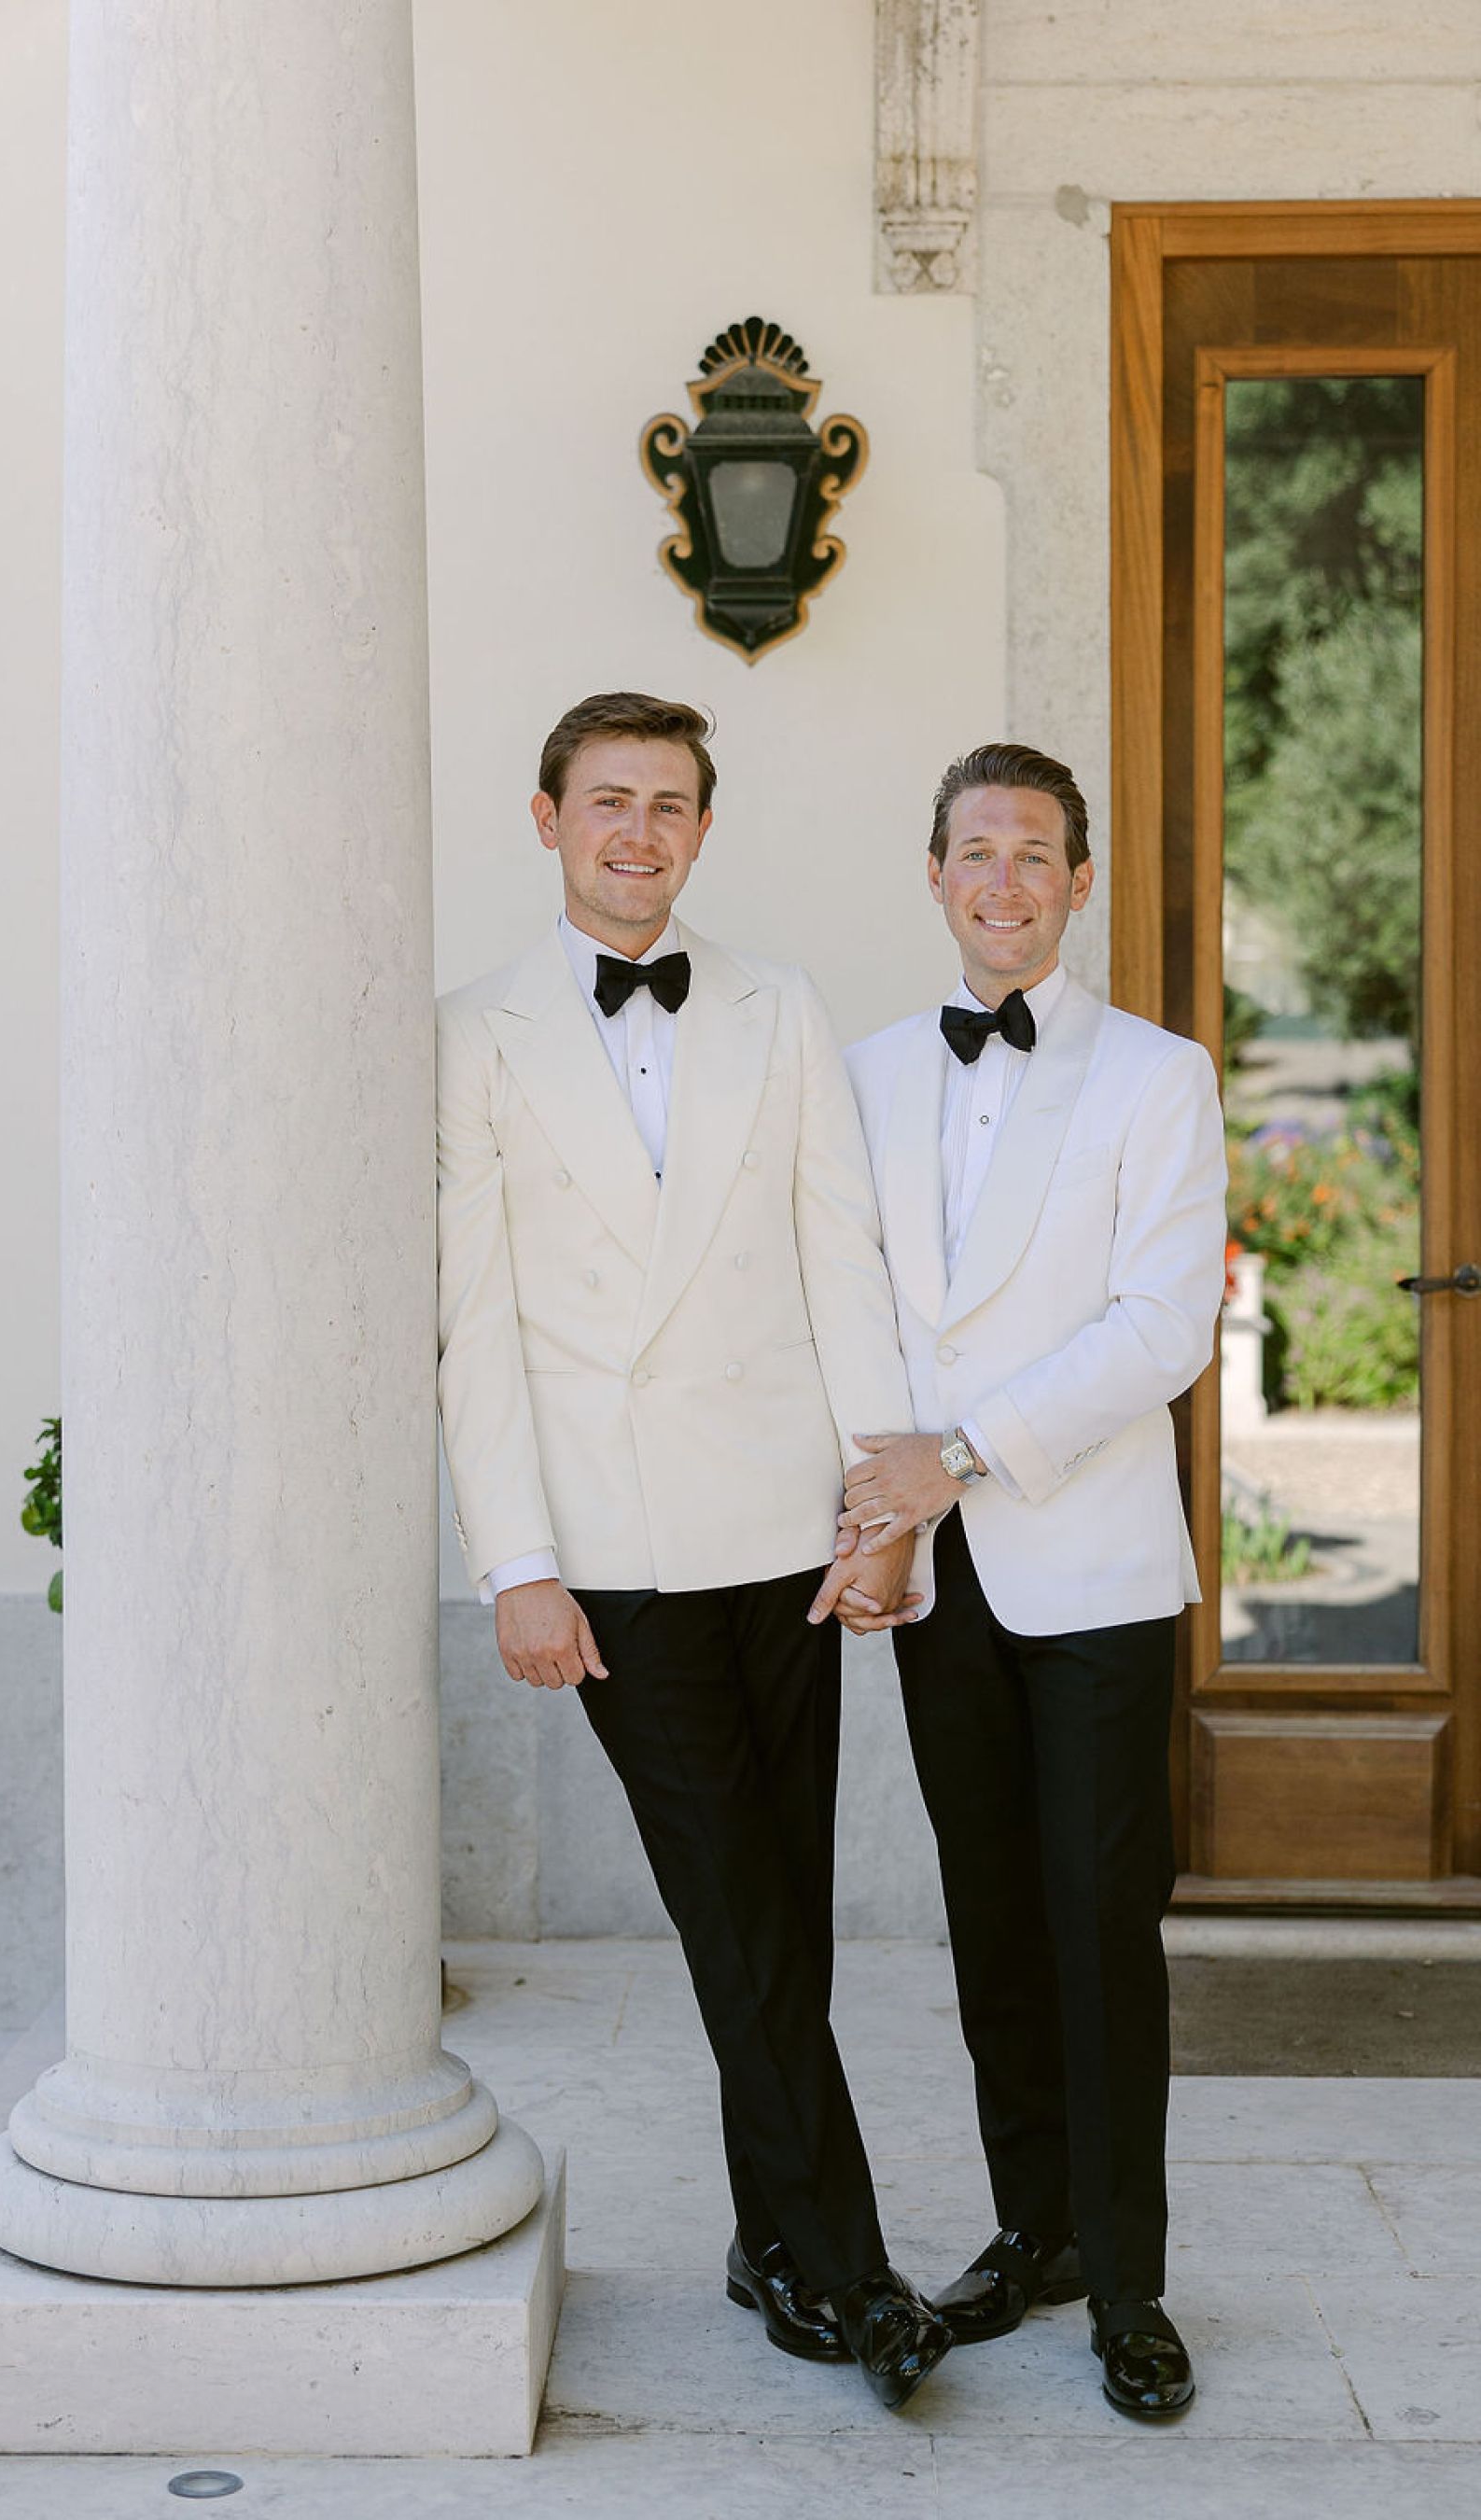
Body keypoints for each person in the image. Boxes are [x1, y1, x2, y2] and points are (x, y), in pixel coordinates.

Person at [436, 691, 952, 2411]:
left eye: (668, 806)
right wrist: (517, 1559)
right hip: (615, 1549)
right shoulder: (473, 1035)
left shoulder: (778, 1006)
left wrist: (882, 1521)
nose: (637, 834)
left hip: (781, 1531)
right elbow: (475, 1322)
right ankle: (850, 2270)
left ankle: (764, 2239)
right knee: (734, 1912)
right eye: (607, 804)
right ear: (545, 820)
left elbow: (842, 1265)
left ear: (703, 832)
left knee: (777, 1916)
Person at [824, 741, 1226, 2419]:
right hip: (939, 1581)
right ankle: (1033, 2228)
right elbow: (848, 1308)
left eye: (1036, 853)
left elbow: (1163, 1331)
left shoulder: (1158, 1074)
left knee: (1098, 1924)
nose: (1004, 881)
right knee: (991, 1921)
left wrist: (959, 1457)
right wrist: (876, 1515)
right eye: (975, 850)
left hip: (1095, 1574)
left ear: (1078, 882)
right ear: (933, 874)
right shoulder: (858, 1075)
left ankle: (1128, 2282)